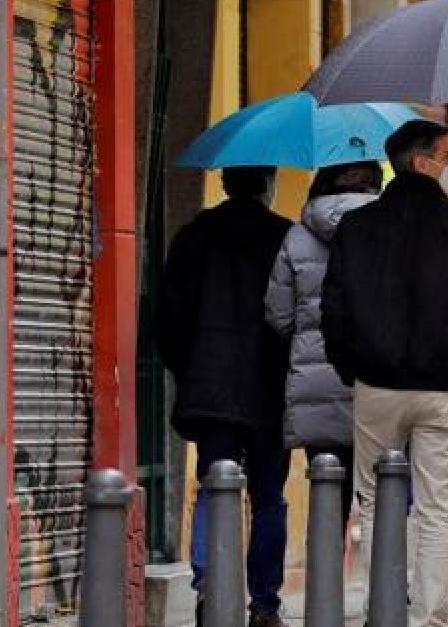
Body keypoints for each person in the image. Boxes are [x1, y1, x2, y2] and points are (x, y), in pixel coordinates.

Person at [321, 120, 448, 627]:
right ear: (422, 162)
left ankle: (379, 610)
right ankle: (429, 616)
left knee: (374, 501)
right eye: (447, 156)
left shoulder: (356, 229)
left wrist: (350, 368)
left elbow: (333, 310)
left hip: (376, 383)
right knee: (437, 507)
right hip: (442, 386)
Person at [158, 166, 293, 627]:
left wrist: (189, 367)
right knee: (269, 496)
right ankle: (265, 603)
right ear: (267, 186)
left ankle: (207, 592)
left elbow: (167, 317)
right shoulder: (286, 238)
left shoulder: (194, 237)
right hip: (270, 389)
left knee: (214, 487)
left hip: (210, 387)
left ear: (226, 183)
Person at [264, 161, 383, 536]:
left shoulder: (297, 237)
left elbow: (278, 314)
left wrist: (306, 338)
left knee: (328, 490)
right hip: (378, 378)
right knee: (384, 494)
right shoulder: (392, 230)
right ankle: (384, 591)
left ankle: (325, 590)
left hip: (316, 380)